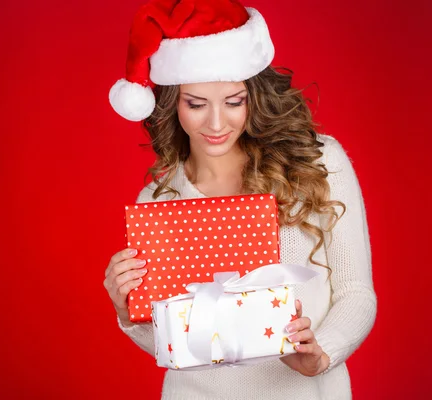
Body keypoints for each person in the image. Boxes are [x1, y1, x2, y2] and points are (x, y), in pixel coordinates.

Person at [103, 0, 377, 399]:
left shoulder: (319, 163)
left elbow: (356, 292)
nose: (216, 124)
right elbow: (175, 344)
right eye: (195, 104)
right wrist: (129, 311)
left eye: (234, 101)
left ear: (255, 95)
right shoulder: (158, 202)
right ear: (171, 102)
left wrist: (322, 353)